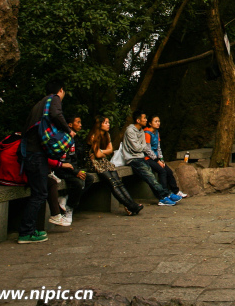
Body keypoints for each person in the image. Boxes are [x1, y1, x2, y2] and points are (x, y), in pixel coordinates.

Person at [17, 82, 75, 243]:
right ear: (61, 90)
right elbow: (56, 115)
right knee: (40, 193)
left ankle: (28, 229)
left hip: (29, 153)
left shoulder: (38, 105)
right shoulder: (53, 99)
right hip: (36, 154)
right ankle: (26, 232)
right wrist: (68, 130)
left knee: (40, 191)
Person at [121, 111, 180, 207]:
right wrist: (142, 147)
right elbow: (137, 148)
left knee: (152, 176)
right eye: (144, 118)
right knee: (150, 176)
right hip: (133, 159)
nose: (146, 120)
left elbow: (144, 146)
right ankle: (166, 195)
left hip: (141, 157)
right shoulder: (130, 131)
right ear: (138, 120)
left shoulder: (141, 131)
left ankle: (163, 197)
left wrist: (143, 147)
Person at [87, 116, 143, 216]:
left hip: (103, 162)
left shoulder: (107, 135)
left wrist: (101, 152)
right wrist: (103, 152)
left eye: (108, 122)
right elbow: (98, 155)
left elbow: (110, 150)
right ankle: (129, 206)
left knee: (118, 181)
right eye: (106, 123)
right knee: (112, 183)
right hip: (94, 163)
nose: (108, 124)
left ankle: (132, 204)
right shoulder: (94, 136)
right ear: (100, 124)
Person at [50, 115, 95, 226]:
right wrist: (76, 172)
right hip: (61, 170)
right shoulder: (63, 137)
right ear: (70, 125)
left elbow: (73, 158)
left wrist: (78, 170)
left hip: (71, 169)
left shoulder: (73, 138)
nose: (80, 125)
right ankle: (69, 210)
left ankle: (66, 198)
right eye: (78, 122)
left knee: (89, 178)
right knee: (78, 183)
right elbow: (64, 160)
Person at [144, 115, 187, 200]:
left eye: (159, 121)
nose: (158, 123)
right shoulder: (147, 133)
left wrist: (162, 159)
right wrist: (157, 160)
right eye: (155, 121)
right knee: (162, 171)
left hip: (157, 158)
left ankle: (175, 191)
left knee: (169, 171)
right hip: (148, 158)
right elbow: (147, 150)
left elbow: (158, 147)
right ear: (150, 123)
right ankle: (164, 194)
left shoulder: (157, 132)